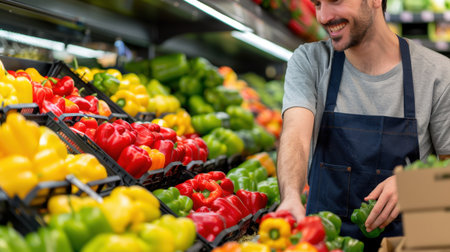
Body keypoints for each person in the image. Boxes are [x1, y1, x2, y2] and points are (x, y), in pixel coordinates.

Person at [277, 0, 450, 249]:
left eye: (335, 1)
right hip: (323, 242)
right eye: (317, 4)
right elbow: (295, 134)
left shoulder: (438, 75)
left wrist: (415, 184)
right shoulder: (310, 61)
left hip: (408, 244)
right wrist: (291, 196)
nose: (324, 16)